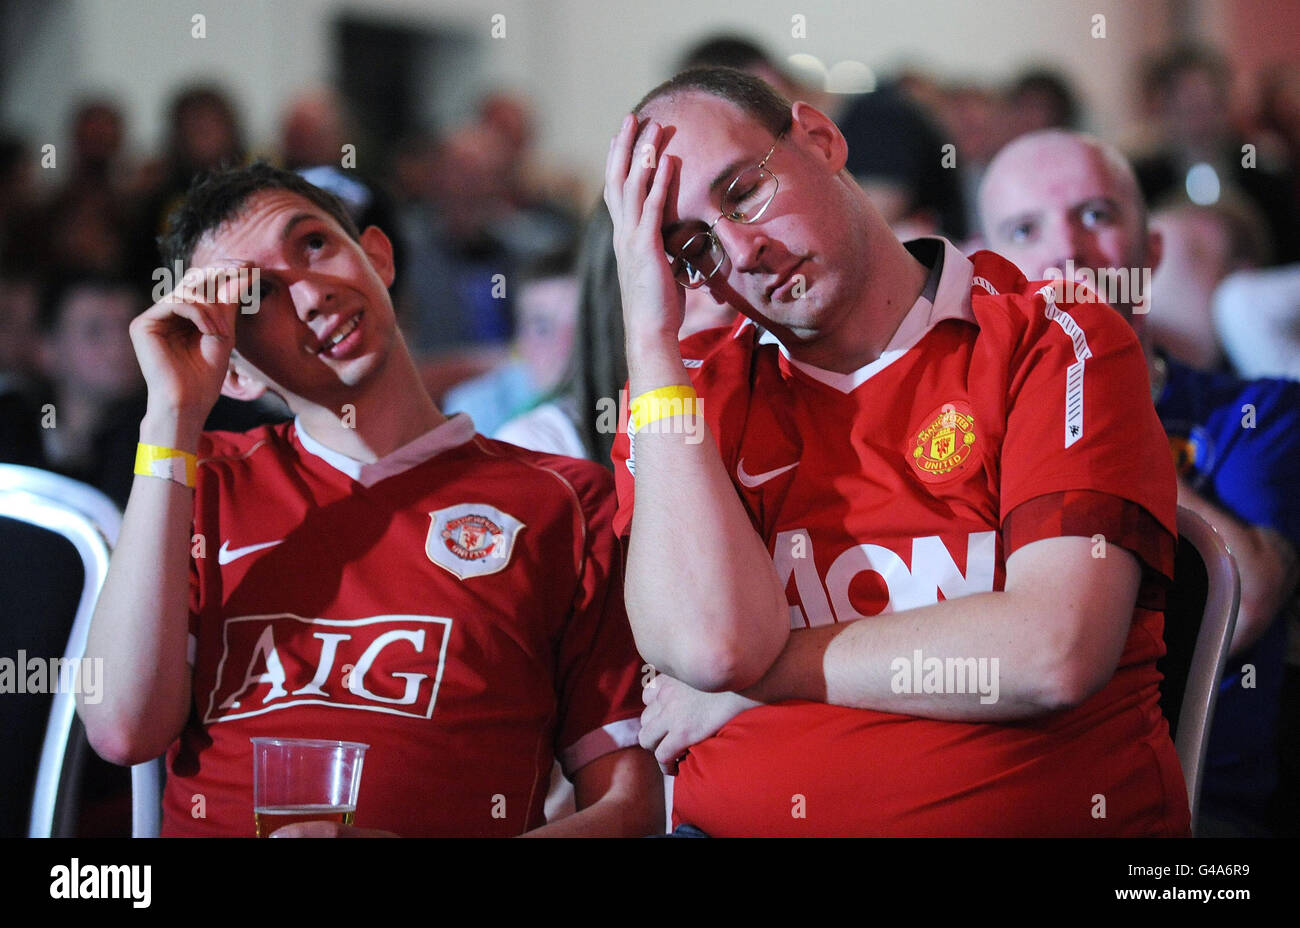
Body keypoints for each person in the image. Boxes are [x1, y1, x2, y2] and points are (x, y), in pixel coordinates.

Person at [607, 66, 1186, 836]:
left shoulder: (1051, 337)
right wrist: (650, 339)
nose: (742, 252)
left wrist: (763, 677)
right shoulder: (685, 402)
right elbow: (711, 646)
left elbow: (1054, 649)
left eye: (744, 192)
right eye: (692, 248)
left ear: (820, 138)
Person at [75, 162, 661, 837]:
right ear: (232, 370)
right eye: (255, 294)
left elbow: (628, 811)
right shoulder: (196, 483)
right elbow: (121, 729)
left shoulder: (564, 501)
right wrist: (171, 417)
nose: (312, 292)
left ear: (376, 255)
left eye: (315, 244)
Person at [979, 128, 1300, 835]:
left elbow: (1241, 605)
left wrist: (1096, 403)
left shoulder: (1256, 413)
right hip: (1005, 795)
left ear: (1150, 254)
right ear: (991, 270)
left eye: (1095, 214)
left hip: (1196, 807)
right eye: (1025, 229)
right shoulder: (965, 429)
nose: (1066, 249)